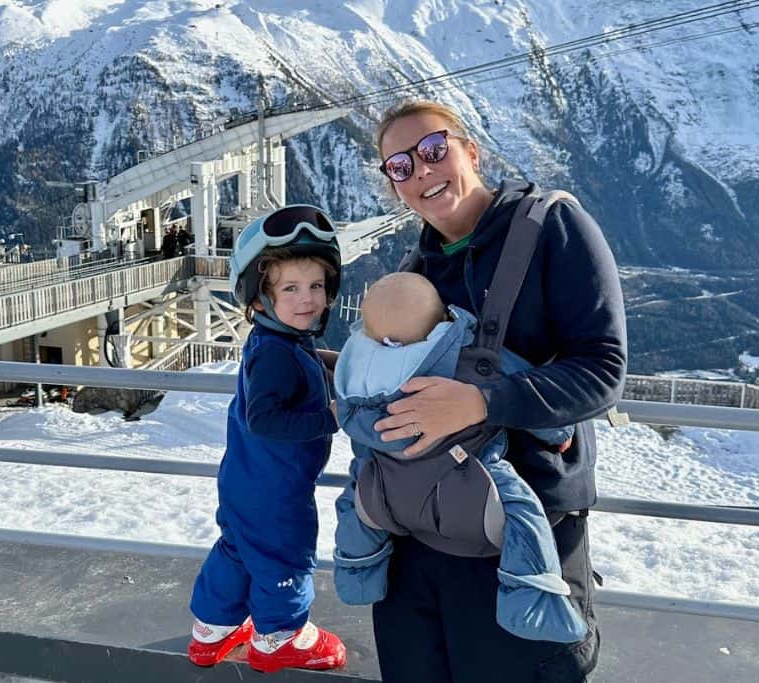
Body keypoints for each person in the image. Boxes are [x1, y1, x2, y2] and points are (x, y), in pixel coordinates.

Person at [361, 100, 627, 682]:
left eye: (434, 151)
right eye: (400, 167)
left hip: (525, 535)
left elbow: (603, 369)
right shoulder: (416, 269)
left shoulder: (552, 226)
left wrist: (482, 402)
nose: (423, 172)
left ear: (470, 150)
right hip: (421, 537)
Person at [332, 272, 585, 643]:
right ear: (441, 321)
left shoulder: (357, 372)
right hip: (470, 490)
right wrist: (560, 431)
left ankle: (357, 575)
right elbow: (520, 384)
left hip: (384, 493)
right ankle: (532, 599)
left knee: (355, 494)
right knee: (523, 516)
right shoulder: (467, 360)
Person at [187, 204, 347, 674]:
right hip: (277, 490)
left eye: (316, 286)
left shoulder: (276, 341)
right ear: (260, 298)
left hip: (245, 479)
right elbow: (266, 420)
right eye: (291, 288)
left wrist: (334, 362)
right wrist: (331, 416)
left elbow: (300, 362)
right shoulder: (279, 354)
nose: (308, 299)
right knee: (284, 553)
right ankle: (281, 637)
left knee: (238, 548)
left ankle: (211, 630)